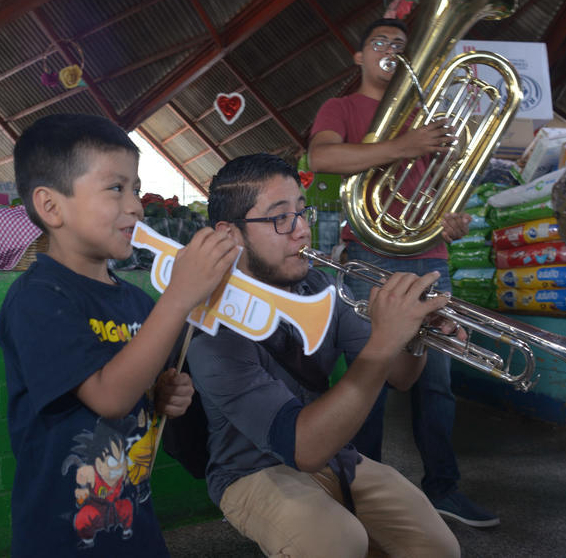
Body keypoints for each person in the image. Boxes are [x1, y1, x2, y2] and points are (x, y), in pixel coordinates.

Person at [187, 153, 461, 557]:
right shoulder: (212, 329)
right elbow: (303, 448)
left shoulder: (323, 287)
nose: (302, 231)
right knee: (337, 541)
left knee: (439, 548)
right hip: (251, 472)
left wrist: (417, 337)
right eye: (280, 218)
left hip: (336, 459)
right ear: (231, 234)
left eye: (302, 212)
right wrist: (385, 340)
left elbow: (401, 377)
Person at [0, 113, 238, 556]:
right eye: (115, 188)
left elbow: (137, 392)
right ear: (51, 207)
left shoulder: (138, 303)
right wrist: (179, 297)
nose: (136, 207)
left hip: (137, 528)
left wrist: (163, 395)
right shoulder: (37, 298)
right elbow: (109, 397)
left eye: (136, 189)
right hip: (62, 540)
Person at [307, 17, 498, 528]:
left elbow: (441, 186)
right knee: (367, 376)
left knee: (437, 383)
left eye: (400, 45)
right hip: (370, 255)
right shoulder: (342, 108)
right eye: (380, 42)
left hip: (430, 255)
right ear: (359, 56)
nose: (390, 50)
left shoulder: (426, 118)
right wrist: (402, 146)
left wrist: (450, 217)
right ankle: (364, 491)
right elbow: (321, 156)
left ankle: (443, 488)